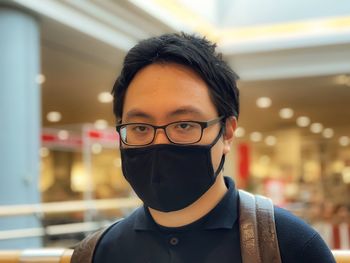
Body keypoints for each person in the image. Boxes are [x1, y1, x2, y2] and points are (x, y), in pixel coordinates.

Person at [92, 33, 336, 262]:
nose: (160, 143)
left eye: (184, 125)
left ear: (227, 132)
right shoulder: (99, 253)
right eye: (141, 128)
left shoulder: (290, 246)